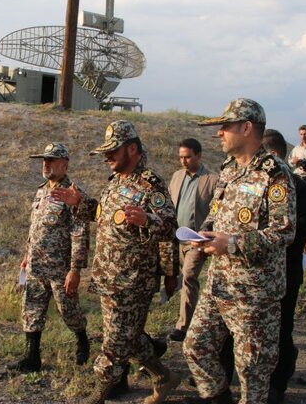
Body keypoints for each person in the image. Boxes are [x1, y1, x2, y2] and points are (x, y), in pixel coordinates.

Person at [50, 120, 179, 404]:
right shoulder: (116, 182)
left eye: (113, 150)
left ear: (132, 149)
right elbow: (103, 215)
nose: (107, 156)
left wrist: (148, 220)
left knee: (114, 344)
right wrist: (80, 203)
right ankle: (164, 376)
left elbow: (171, 227)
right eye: (105, 151)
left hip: (133, 281)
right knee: (129, 339)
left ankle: (98, 395)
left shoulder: (150, 185)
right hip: (108, 278)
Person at [182, 98, 296, 404]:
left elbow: (284, 232)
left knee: (252, 371)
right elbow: (217, 212)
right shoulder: (229, 169)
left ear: (246, 128)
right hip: (220, 284)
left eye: (225, 126)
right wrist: (204, 233)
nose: (219, 133)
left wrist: (230, 243)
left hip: (255, 293)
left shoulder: (276, 173)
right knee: (194, 346)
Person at [8, 142, 90, 373]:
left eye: (51, 160)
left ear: (64, 164)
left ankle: (83, 340)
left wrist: (75, 270)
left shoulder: (73, 194)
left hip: (59, 268)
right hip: (36, 265)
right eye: (44, 160)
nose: (46, 164)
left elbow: (79, 233)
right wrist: (27, 255)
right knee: (31, 309)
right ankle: (32, 357)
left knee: (69, 311)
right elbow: (35, 228)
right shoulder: (41, 190)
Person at [262, 129, 306, 404]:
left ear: (273, 155)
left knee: (281, 328)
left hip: (285, 273)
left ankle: (277, 384)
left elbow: (294, 238)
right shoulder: (258, 185)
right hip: (256, 274)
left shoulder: (299, 188)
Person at [168, 138, 219, 343]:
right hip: (175, 240)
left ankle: (183, 325)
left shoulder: (213, 179)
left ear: (199, 155)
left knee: (189, 276)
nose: (183, 161)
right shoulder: (176, 176)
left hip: (196, 241)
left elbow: (216, 213)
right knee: (173, 279)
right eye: (181, 157)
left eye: (188, 157)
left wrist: (205, 236)